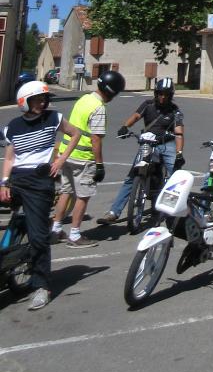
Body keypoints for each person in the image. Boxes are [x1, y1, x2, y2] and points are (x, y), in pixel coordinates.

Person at [0, 81, 83, 310]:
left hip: (39, 182)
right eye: (37, 100)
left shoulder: (53, 118)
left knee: (38, 237)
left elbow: (75, 133)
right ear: (24, 102)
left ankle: (41, 286)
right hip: (16, 179)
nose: (43, 103)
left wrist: (60, 160)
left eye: (44, 99)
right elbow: (9, 159)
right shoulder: (13, 127)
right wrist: (4, 182)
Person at [50, 69, 126, 247]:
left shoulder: (84, 99)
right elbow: (96, 139)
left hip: (66, 153)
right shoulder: (99, 108)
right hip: (83, 158)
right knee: (83, 196)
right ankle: (75, 235)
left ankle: (55, 230)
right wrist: (99, 165)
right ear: (111, 92)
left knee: (65, 192)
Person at [97, 77, 185, 225]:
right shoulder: (148, 104)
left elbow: (179, 133)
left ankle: (172, 210)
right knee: (132, 176)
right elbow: (136, 116)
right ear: (156, 93)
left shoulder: (175, 111)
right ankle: (114, 212)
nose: (163, 97)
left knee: (174, 175)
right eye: (160, 93)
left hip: (166, 144)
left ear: (171, 95)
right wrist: (125, 126)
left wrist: (179, 154)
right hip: (149, 142)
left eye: (166, 94)